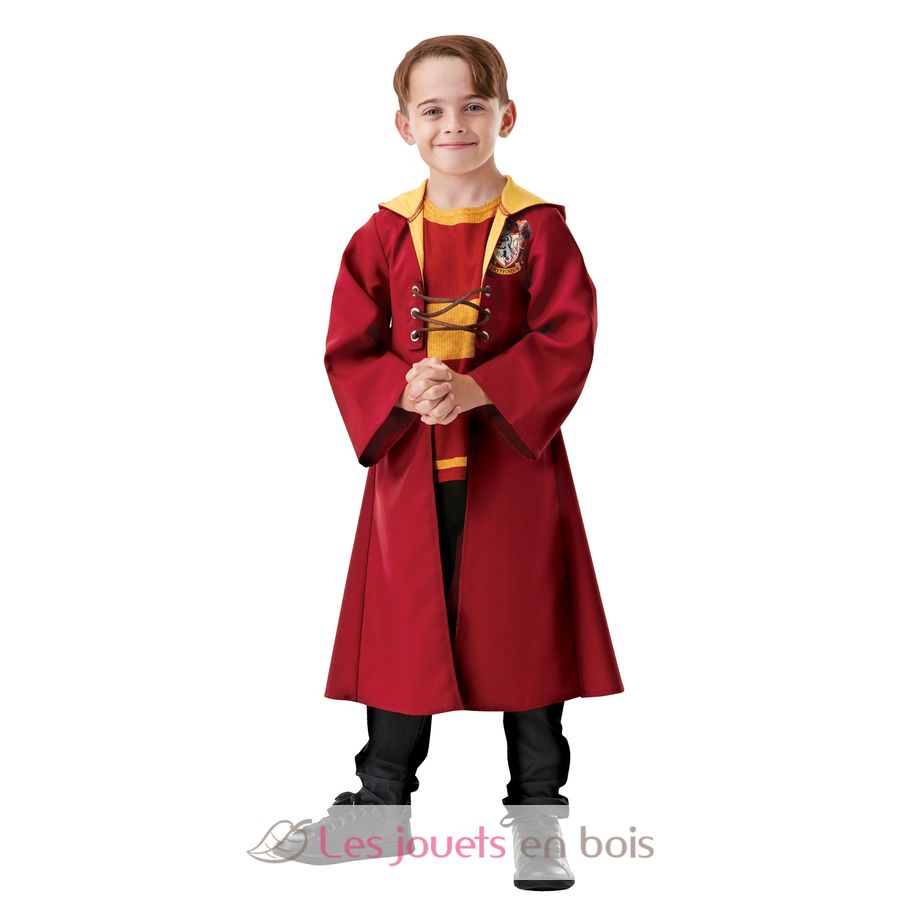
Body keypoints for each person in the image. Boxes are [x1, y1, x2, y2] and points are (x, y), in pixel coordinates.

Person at [281, 35, 625, 890]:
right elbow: (348, 345)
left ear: (506, 115)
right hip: (411, 465)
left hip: (514, 468)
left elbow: (567, 335)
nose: (455, 124)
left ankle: (539, 823)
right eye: (433, 109)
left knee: (527, 637)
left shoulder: (538, 229)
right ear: (405, 125)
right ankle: (379, 808)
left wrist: (480, 390)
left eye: (474, 105)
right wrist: (404, 389)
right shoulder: (383, 233)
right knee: (403, 632)